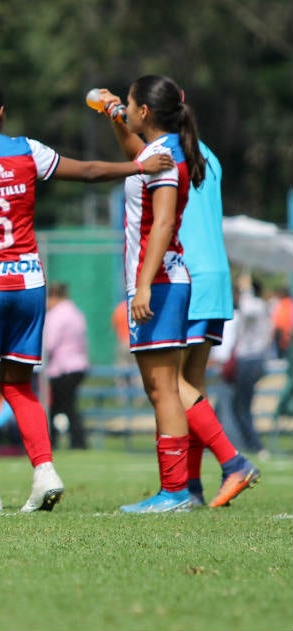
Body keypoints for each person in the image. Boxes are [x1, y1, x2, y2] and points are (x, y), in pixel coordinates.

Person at [0, 77, 172, 514]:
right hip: (29, 283)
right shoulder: (26, 150)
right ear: (2, 114)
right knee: (19, 385)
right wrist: (139, 167)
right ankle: (45, 471)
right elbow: (87, 172)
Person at [93, 75, 207, 512]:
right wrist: (113, 116)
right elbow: (134, 157)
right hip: (162, 279)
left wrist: (143, 283)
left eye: (131, 105)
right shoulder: (163, 151)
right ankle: (176, 489)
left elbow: (161, 223)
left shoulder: (163, 154)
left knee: (163, 388)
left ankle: (175, 491)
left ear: (144, 112)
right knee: (160, 387)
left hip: (158, 282)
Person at [168, 140, 259, 507]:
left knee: (170, 382)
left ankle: (233, 462)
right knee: (192, 386)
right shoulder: (209, 154)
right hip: (216, 274)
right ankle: (192, 487)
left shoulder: (166, 154)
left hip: (188, 275)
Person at [43, 282, 89, 450]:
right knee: (68, 406)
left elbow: (49, 343)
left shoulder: (56, 315)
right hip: (78, 365)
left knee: (60, 407)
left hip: (62, 368)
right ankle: (76, 441)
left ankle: (65, 441)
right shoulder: (76, 313)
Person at [229, 275, 270, 457]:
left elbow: (246, 311)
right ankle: (247, 443)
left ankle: (255, 445)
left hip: (250, 360)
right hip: (251, 359)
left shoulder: (255, 305)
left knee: (242, 406)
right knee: (239, 405)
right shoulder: (259, 305)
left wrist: (245, 290)